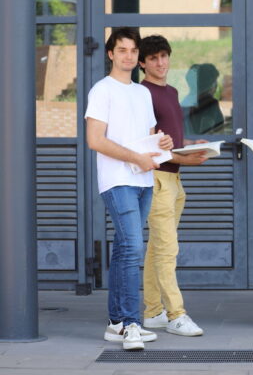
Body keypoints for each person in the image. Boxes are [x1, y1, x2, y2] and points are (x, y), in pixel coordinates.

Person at [85, 28, 173, 350]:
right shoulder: (102, 91)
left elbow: (149, 137)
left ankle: (116, 323)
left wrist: (161, 143)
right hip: (117, 180)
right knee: (134, 246)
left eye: (133, 51)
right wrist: (135, 157)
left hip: (143, 180)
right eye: (122, 50)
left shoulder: (142, 93)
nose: (129, 56)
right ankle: (133, 323)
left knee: (125, 248)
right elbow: (95, 140)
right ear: (111, 54)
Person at [138, 35, 208, 337]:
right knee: (167, 250)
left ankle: (153, 312)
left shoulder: (172, 91)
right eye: (153, 58)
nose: (161, 62)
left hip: (174, 181)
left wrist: (192, 145)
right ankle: (176, 315)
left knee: (157, 248)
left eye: (164, 56)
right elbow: (146, 143)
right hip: (156, 180)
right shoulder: (141, 94)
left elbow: (171, 140)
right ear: (142, 63)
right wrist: (187, 159)